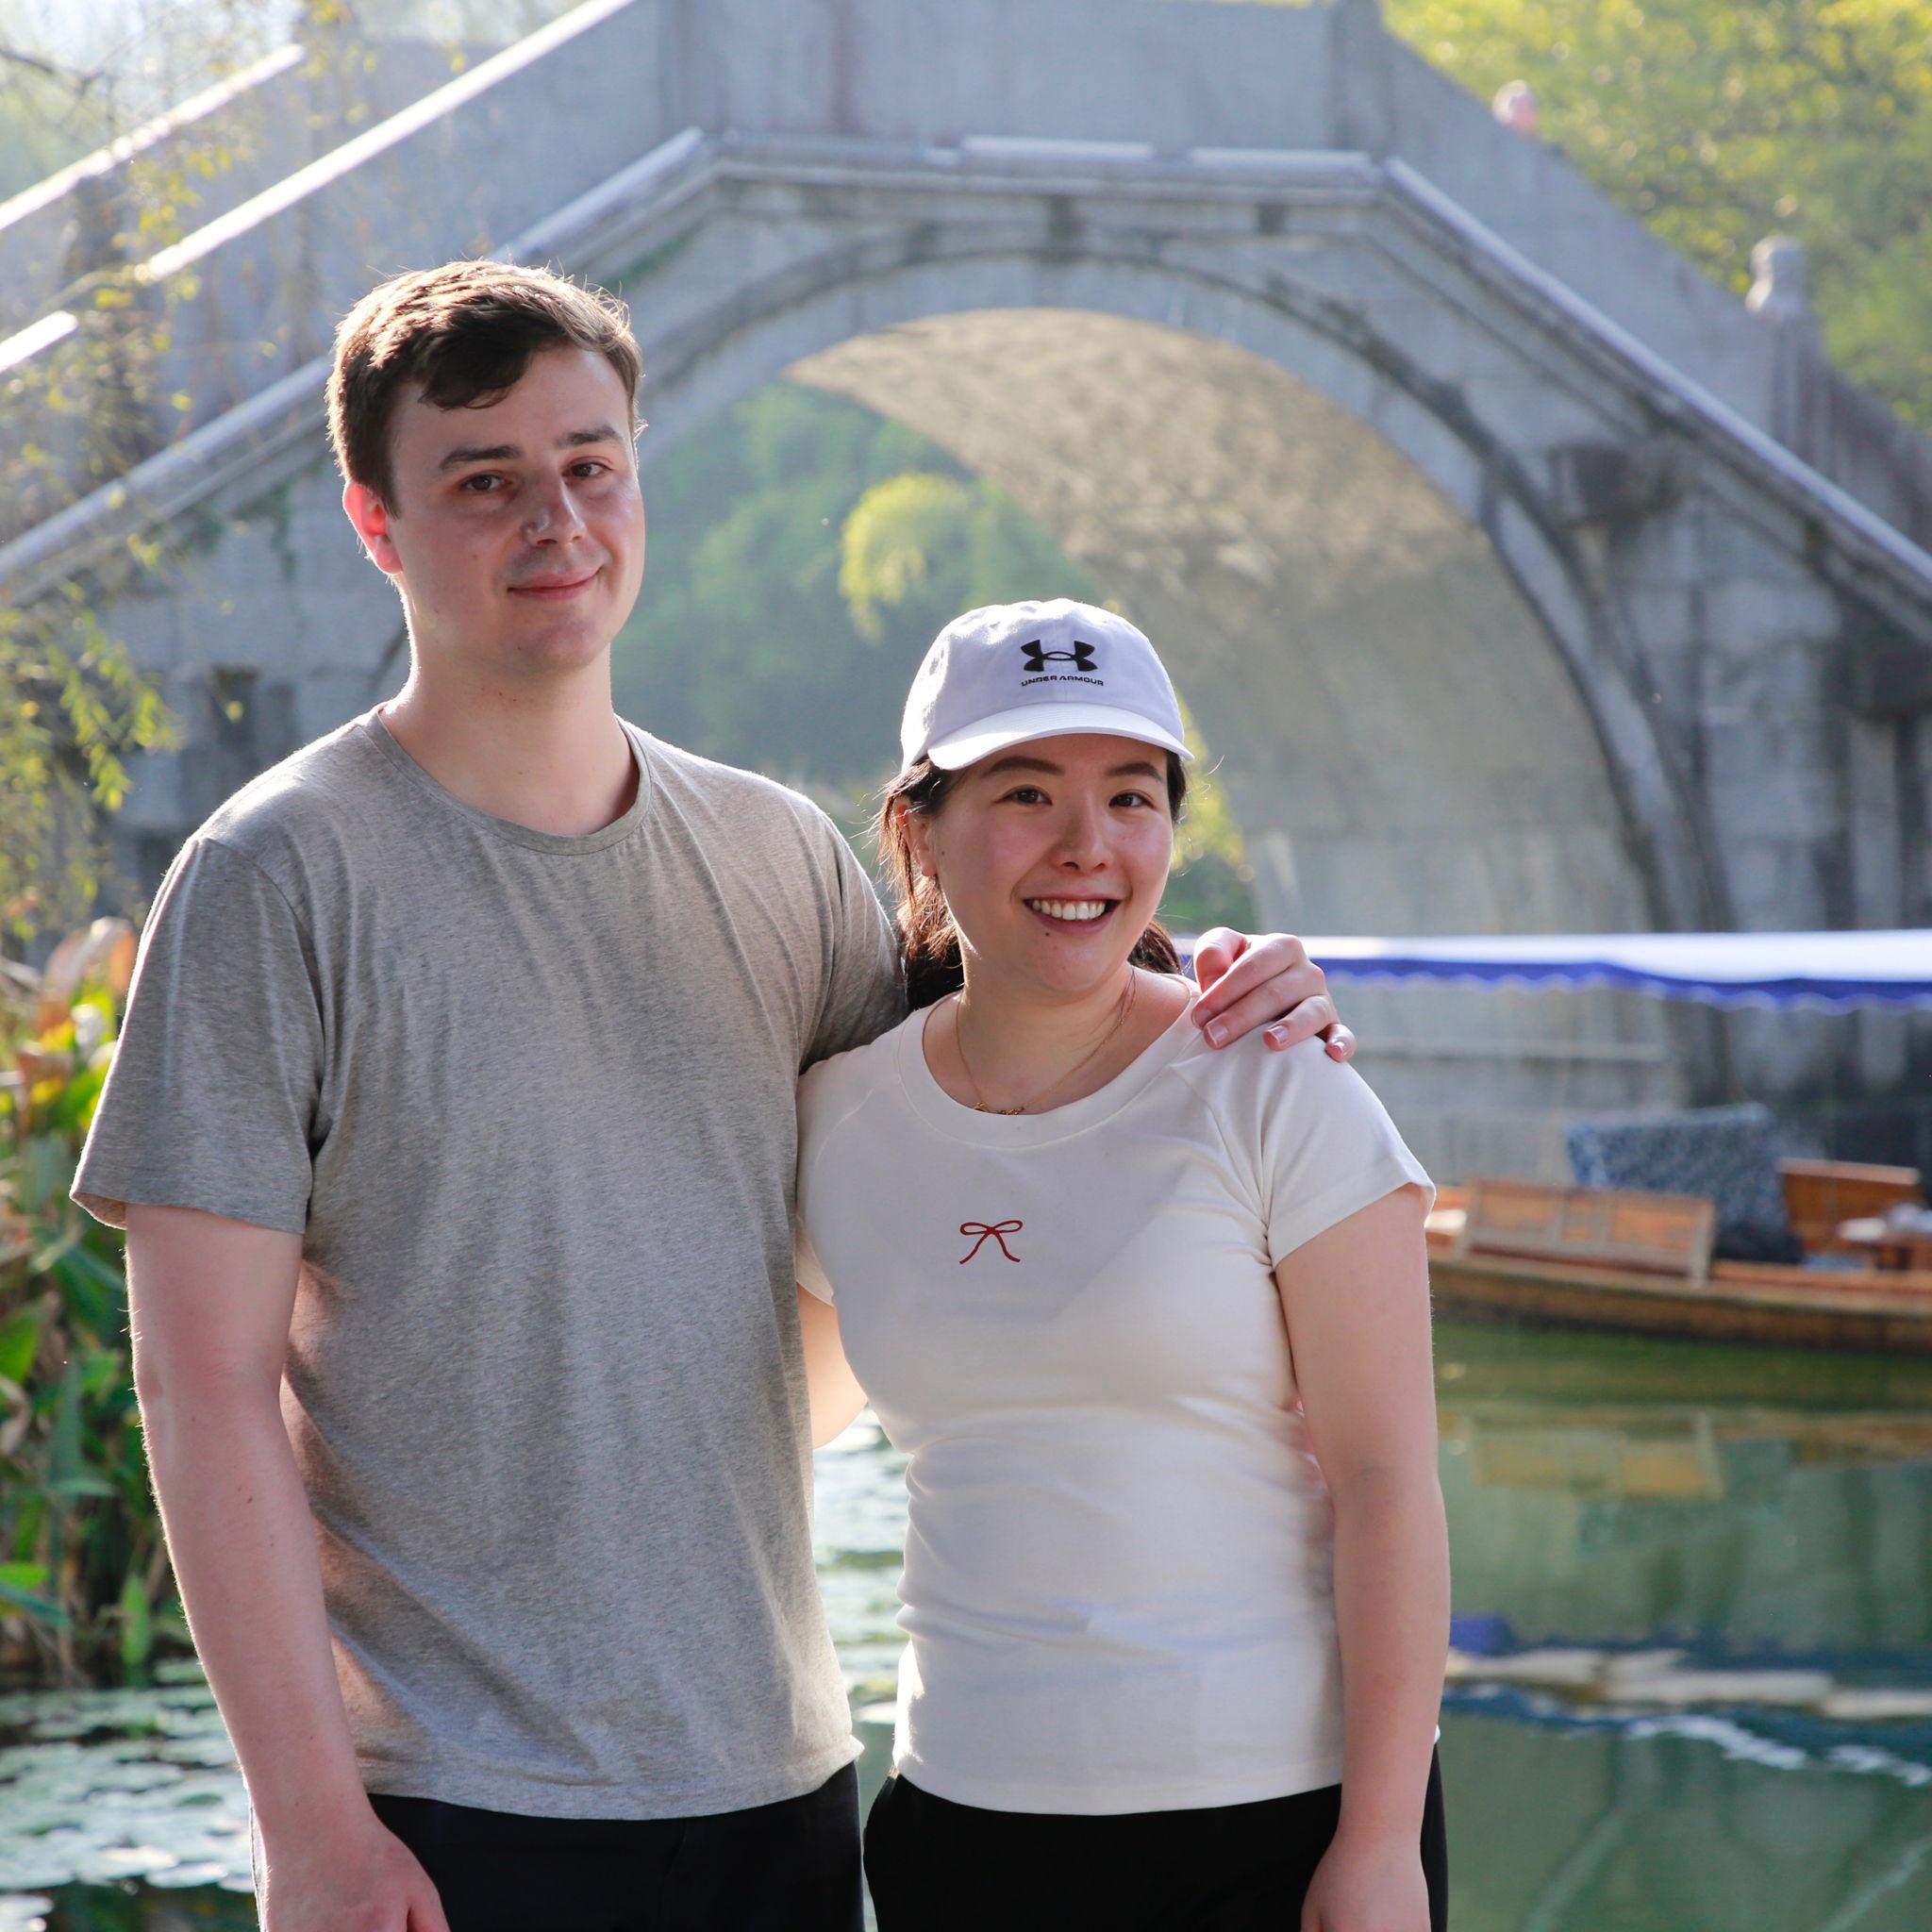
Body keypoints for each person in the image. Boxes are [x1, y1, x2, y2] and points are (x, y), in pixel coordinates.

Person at [70, 262, 1355, 1932]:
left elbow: (1024, 1090)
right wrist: (310, 1826)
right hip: (445, 1816)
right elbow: (198, 1381)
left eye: (591, 464)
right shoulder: (273, 878)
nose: (558, 519)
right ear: (378, 525)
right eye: (485, 481)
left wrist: (1231, 992)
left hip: (784, 1796)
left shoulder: (779, 861)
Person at [793, 599, 1450, 1931]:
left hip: (1279, 1821)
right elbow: (775, 1425)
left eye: (1132, 797)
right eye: (1027, 793)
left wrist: (1377, 1848)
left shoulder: (1279, 1087)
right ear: (919, 828)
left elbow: (1389, 1483)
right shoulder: (839, 1121)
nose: (1088, 847)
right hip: (967, 1824)